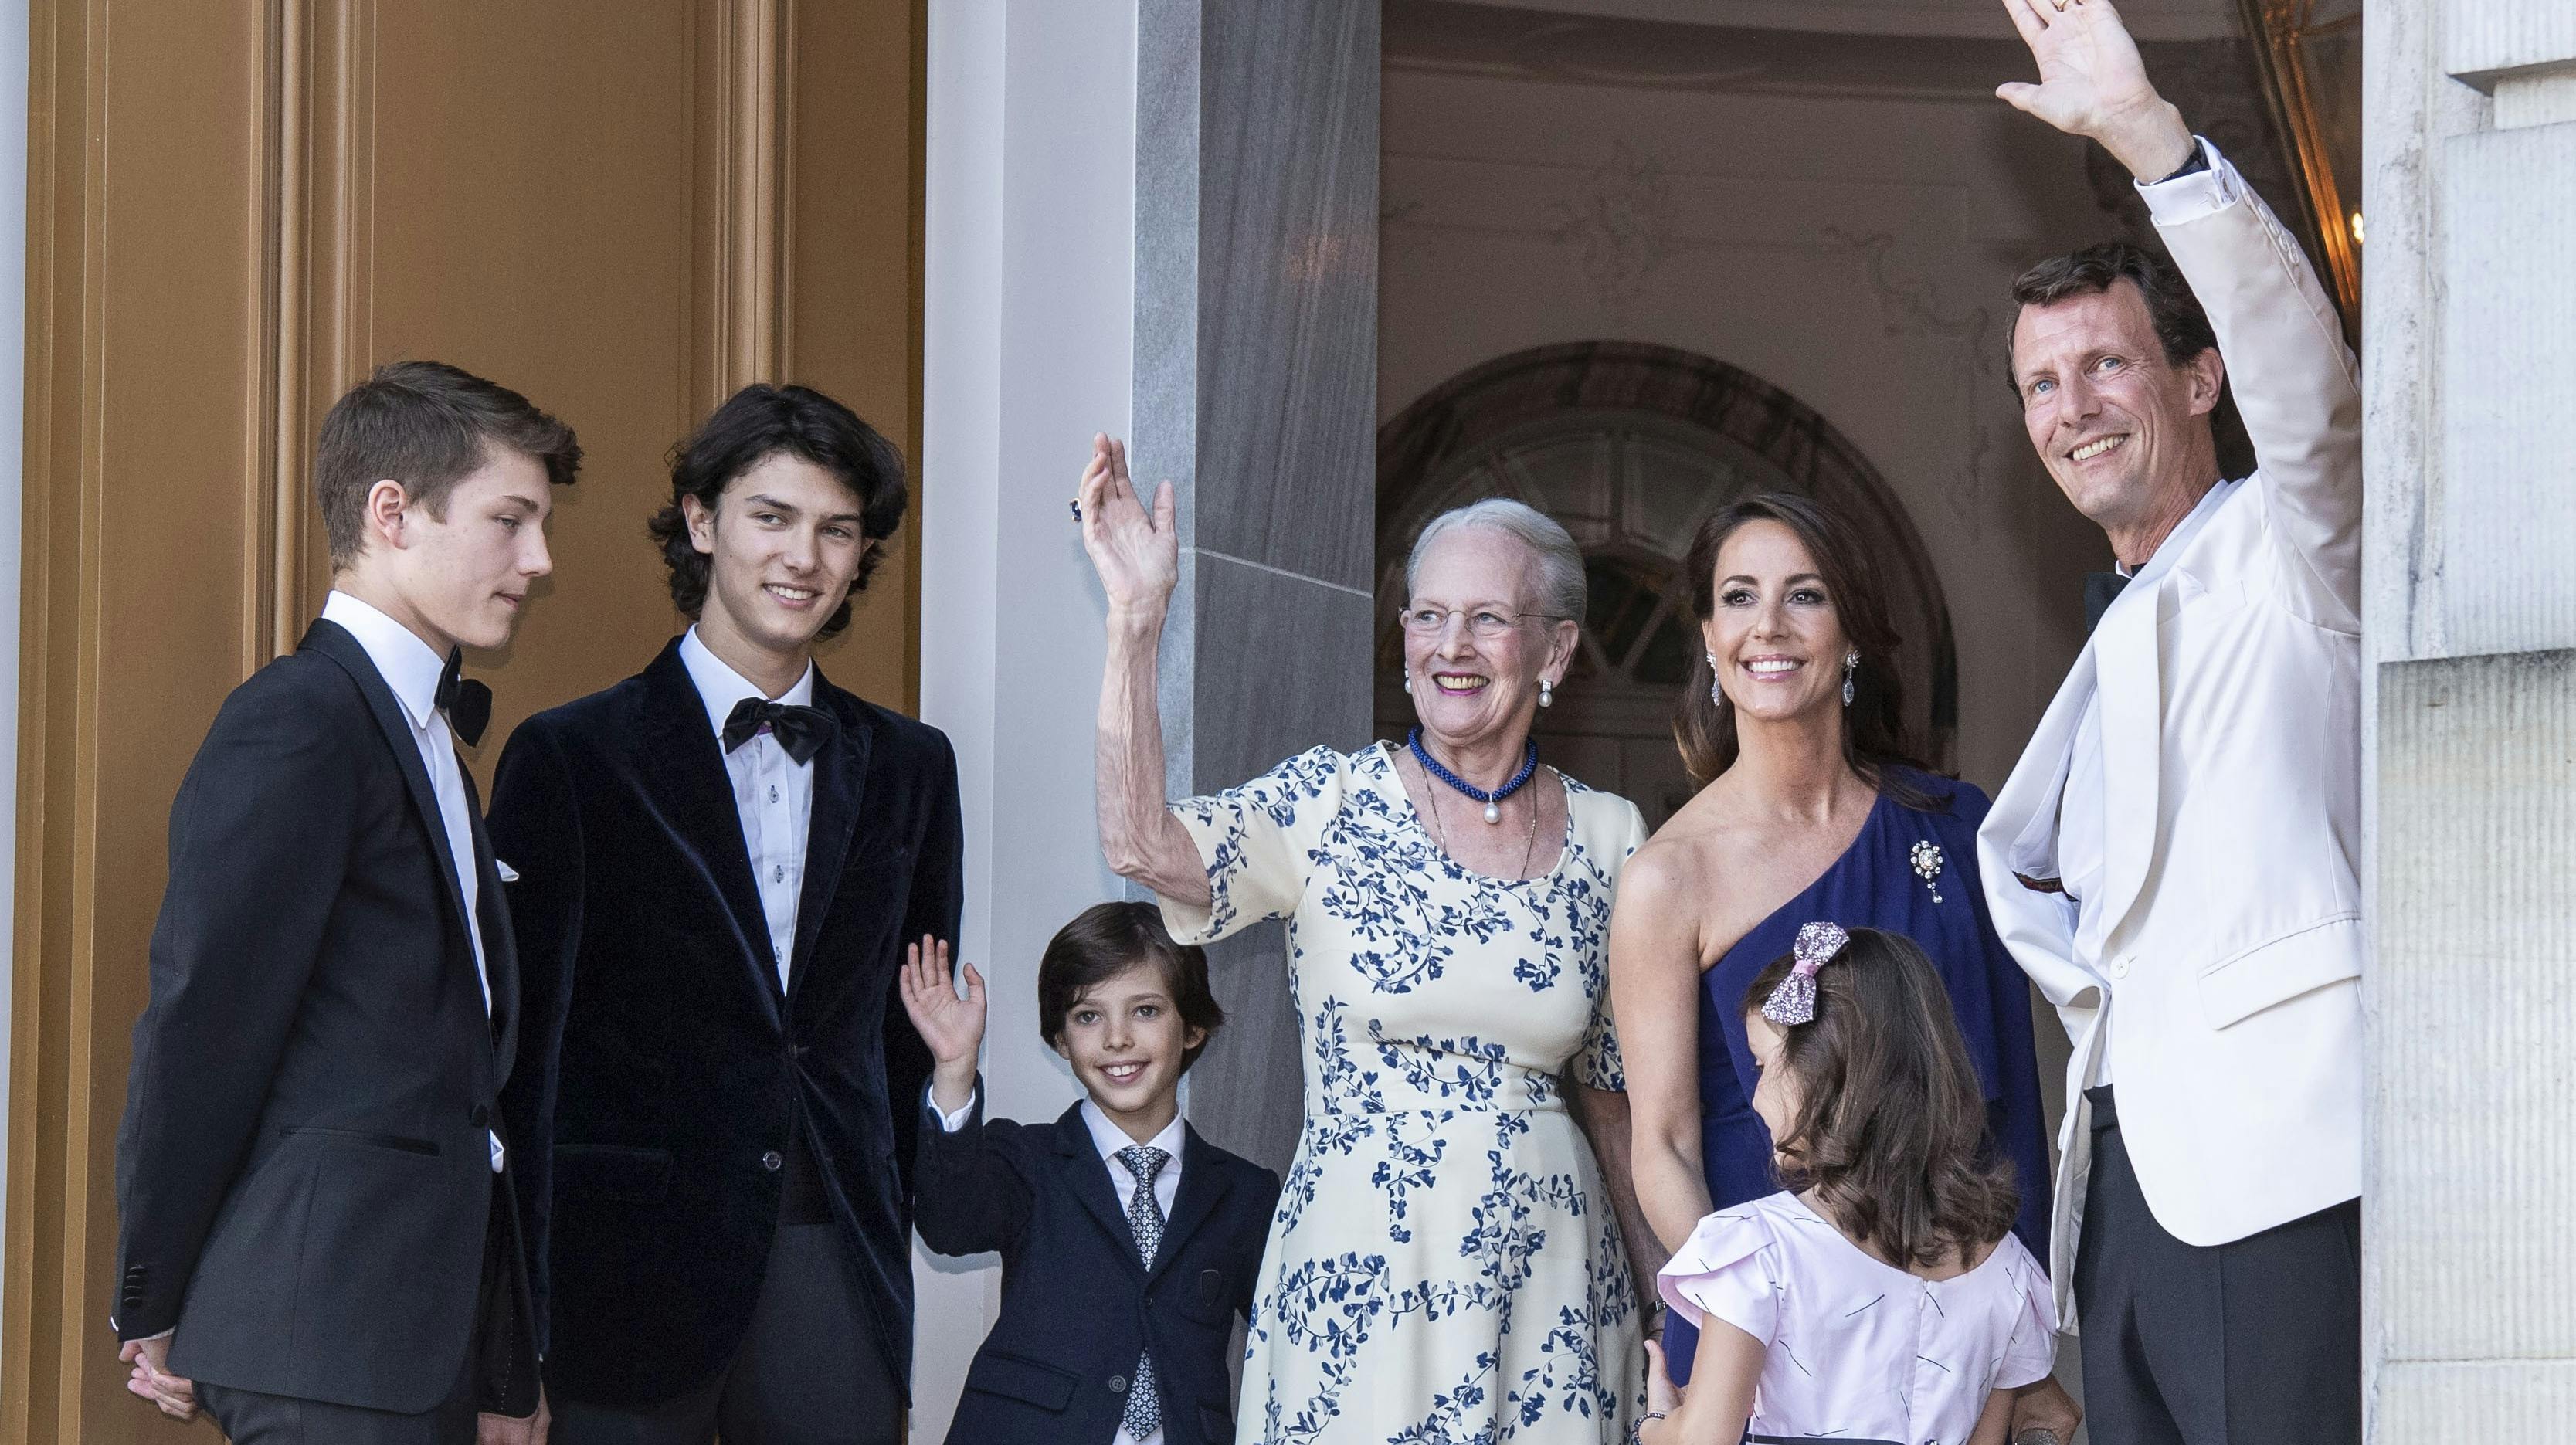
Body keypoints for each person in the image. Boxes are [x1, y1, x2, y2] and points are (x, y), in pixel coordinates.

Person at [1082, 435, 1651, 1441]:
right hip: (1360, 1283)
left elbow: (1615, 1105)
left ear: (1555, 650)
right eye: (1427, 615)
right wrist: (1134, 622)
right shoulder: (1328, 801)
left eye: (1486, 617)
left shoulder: (1611, 837)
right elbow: (1142, 840)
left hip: (1551, 1288)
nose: (1449, 645)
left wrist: (1669, 1310)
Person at [1978, 2, 2365, 1440]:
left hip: (2281, 1174)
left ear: (2199, 381)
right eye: (2039, 385)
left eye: (2105, 365)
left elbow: (2313, 396)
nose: (2070, 406)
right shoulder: (2107, 634)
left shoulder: (2297, 545)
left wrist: (2150, 140)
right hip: (2123, 1211)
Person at [111, 361, 580, 1444]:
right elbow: (203, 1021)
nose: (539, 560)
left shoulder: (429, 745)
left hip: (413, 1337)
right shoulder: (299, 718)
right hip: (320, 1329)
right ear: (391, 514)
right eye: (510, 521)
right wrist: (156, 1292)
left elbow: (460, 1087)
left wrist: (503, 1353)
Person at [489, 384, 963, 1444]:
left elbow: (904, 1032)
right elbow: (518, 1062)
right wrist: (507, 1331)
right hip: (620, 1276)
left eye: (836, 529)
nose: (805, 556)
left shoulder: (913, 768)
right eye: (772, 516)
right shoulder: (567, 756)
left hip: (831, 1258)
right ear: (701, 522)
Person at [1607, 494, 2071, 1437]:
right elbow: (1662, 1141)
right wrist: (1734, 1316)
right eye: (1738, 597)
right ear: (1706, 635)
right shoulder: (1668, 876)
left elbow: (2009, 1102)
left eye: (1803, 595)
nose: (1766, 627)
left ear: (1850, 630)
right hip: (1771, 1351)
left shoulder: (1953, 826)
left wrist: (2023, 1348)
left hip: (1951, 1348)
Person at [1634, 925, 2056, 1445]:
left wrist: (1657, 1424)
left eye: (1763, 1065)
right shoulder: (2008, 1272)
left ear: (1823, 1071)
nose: (1757, 1094)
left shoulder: (1757, 1249)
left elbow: (1704, 1439)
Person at [901, 906, 1282, 1445]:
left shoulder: (1245, 1194)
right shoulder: (1026, 1159)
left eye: (1145, 1010)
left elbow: (1294, 1336)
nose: (1116, 1038)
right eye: (1087, 1016)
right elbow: (949, 1224)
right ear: (1060, 1040)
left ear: (1193, 1026)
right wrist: (955, 1068)